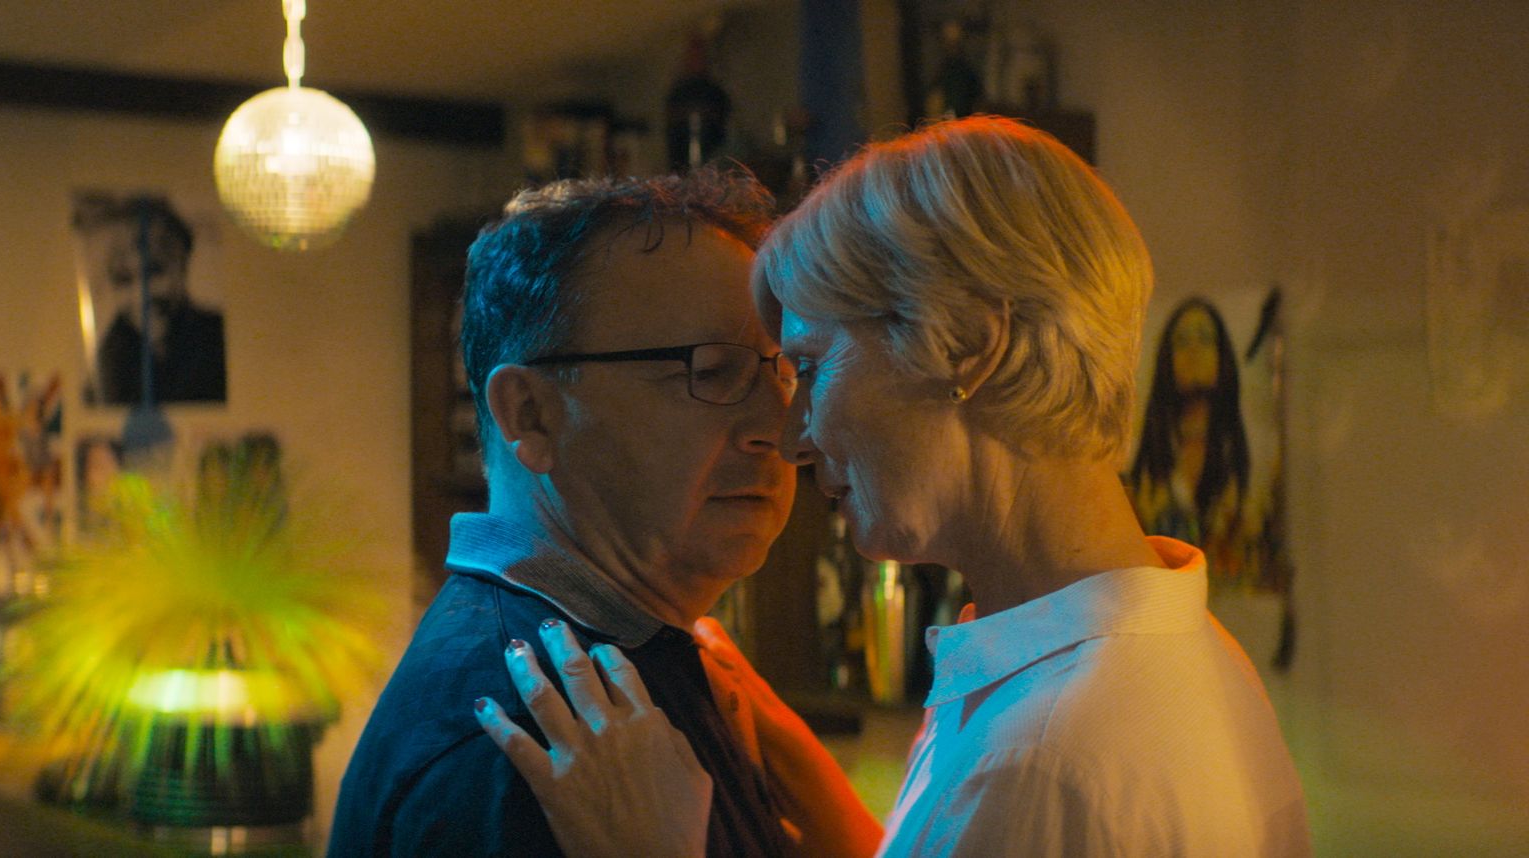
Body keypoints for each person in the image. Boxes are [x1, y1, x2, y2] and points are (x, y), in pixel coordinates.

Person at [478, 116, 1310, 857]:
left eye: (810, 366)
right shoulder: (1196, 662)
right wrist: (794, 761)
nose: (795, 438)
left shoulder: (1040, 759)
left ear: (967, 344)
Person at [327, 169, 828, 856]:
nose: (785, 428)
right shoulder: (528, 738)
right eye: (710, 371)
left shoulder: (641, 661)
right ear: (529, 414)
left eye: (787, 372)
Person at [1127, 297, 1253, 578]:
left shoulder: (1248, 463)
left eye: (1205, 338)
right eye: (1182, 341)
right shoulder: (1141, 464)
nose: (1193, 350)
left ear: (1222, 358)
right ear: (1167, 360)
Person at [73, 192, 226, 404]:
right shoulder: (109, 362)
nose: (142, 295)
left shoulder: (215, 340)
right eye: (123, 279)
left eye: (154, 271)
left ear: (182, 263)